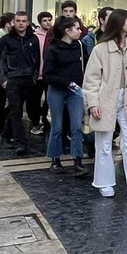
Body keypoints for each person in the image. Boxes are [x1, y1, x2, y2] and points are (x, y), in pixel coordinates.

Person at [83, 9, 127, 201]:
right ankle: (105, 183)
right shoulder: (100, 50)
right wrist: (93, 103)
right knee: (104, 144)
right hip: (105, 100)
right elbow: (91, 80)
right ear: (119, 23)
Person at [42, 16, 90, 177]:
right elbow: (47, 74)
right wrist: (66, 82)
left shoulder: (80, 46)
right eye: (77, 28)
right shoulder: (53, 49)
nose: (80, 31)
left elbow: (86, 66)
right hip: (57, 90)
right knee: (57, 126)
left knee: (76, 125)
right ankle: (55, 160)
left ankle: (77, 160)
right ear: (67, 31)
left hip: (75, 91)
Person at [0, 11, 42, 156]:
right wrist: (3, 80)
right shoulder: (5, 40)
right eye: (18, 21)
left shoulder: (33, 39)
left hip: (28, 79)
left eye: (23, 21)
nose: (21, 23)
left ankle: (6, 135)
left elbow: (37, 59)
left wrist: (34, 77)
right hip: (12, 79)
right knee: (15, 110)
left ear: (28, 22)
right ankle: (21, 142)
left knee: (17, 108)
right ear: (13, 22)